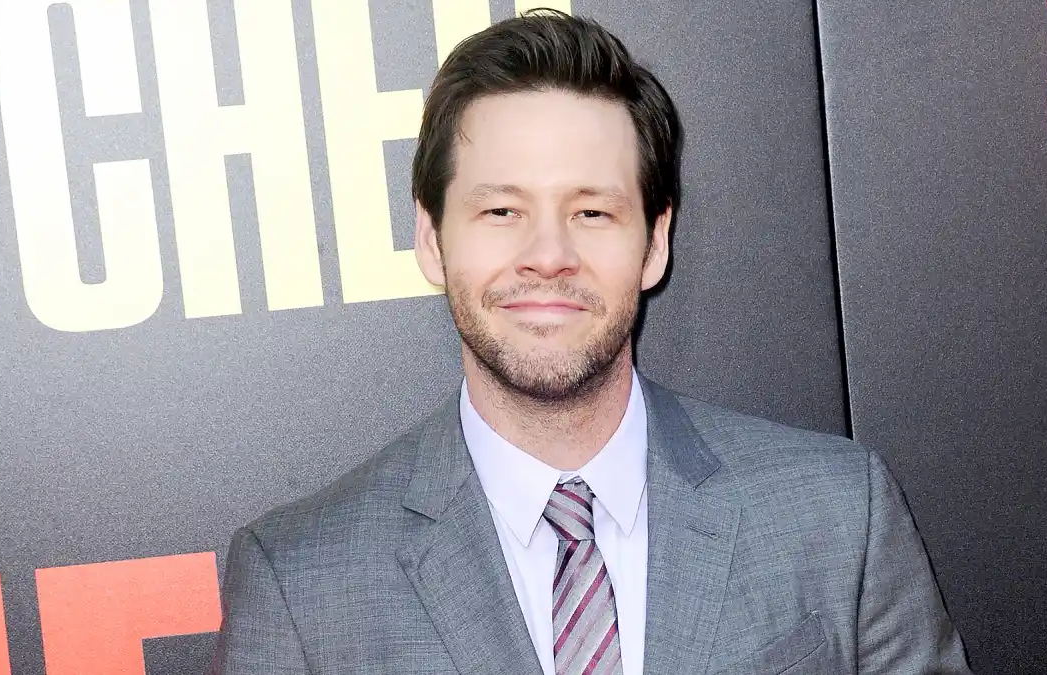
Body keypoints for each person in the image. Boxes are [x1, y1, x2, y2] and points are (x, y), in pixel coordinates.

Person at [208, 9, 971, 675]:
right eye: (502, 211)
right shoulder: (302, 584)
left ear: (655, 243)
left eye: (593, 213)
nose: (548, 254)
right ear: (432, 239)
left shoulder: (839, 518)